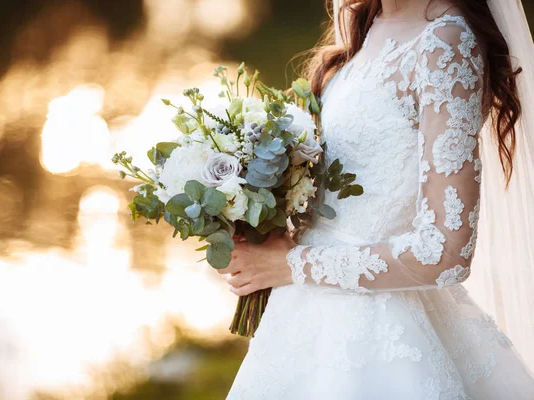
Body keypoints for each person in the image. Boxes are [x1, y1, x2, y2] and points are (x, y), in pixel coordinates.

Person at [222, 0, 534, 398]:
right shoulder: (367, 21)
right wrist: (260, 221)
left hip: (385, 332)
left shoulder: (446, 43)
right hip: (306, 315)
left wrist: (293, 264)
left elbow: (446, 250)